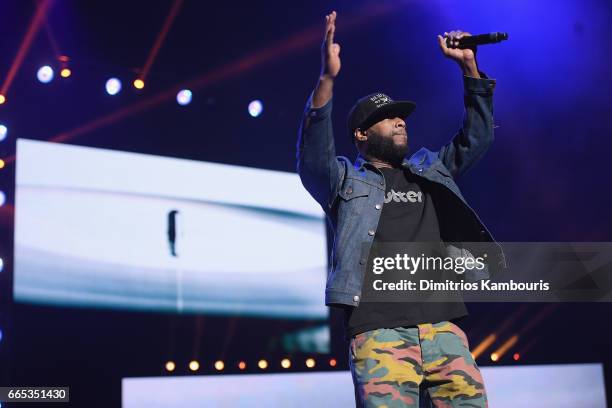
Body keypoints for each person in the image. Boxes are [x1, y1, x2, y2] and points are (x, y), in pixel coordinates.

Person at [297, 10, 505, 408]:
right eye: (385, 118)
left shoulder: (430, 169)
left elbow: (476, 139)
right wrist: (326, 78)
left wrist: (469, 67)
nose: (398, 122)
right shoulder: (344, 181)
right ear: (360, 134)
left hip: (443, 325)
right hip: (379, 331)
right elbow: (312, 157)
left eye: (400, 117)